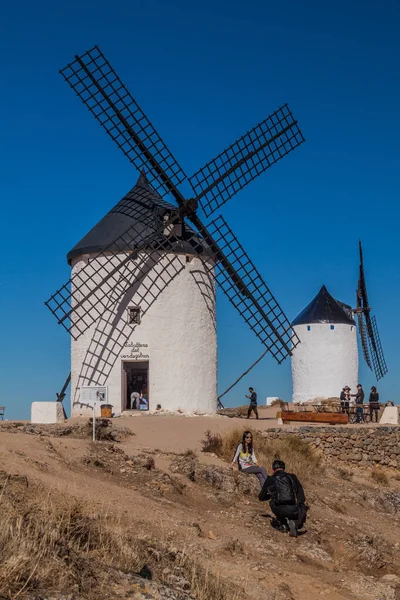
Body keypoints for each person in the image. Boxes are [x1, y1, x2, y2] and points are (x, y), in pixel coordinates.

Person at [259, 459, 307, 538]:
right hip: (294, 510)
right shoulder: (292, 477)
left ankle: (283, 524)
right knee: (302, 506)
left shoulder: (270, 479)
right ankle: (296, 523)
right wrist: (300, 506)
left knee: (272, 502)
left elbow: (261, 497)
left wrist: (270, 495)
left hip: (279, 509)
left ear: (273, 469)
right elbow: (301, 494)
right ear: (284, 468)